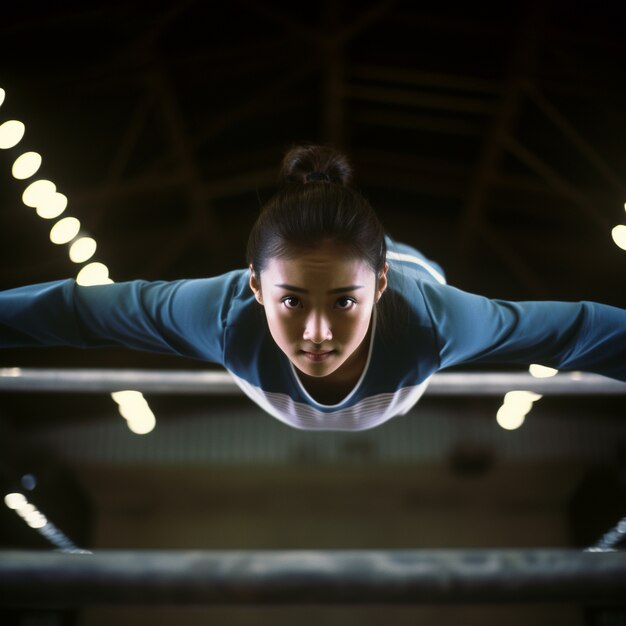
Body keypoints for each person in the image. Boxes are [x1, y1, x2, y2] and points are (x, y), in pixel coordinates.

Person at [1, 145, 625, 431]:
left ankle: (372, 269)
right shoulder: (219, 314)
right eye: (292, 303)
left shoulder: (437, 321)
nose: (318, 335)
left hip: (414, 278)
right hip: (372, 273)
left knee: (393, 274)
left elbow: (579, 329)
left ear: (377, 291)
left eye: (344, 304)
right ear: (253, 288)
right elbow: (78, 310)